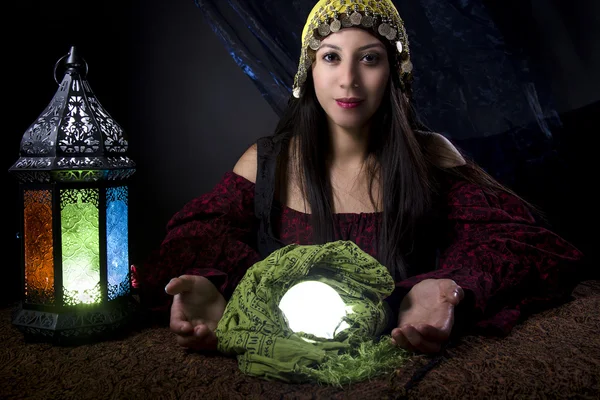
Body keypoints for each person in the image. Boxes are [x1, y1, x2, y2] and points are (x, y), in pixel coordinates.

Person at [132, 0, 584, 355]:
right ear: (310, 71)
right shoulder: (266, 162)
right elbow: (193, 237)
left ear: (393, 73)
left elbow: (517, 240)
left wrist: (447, 287)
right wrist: (215, 285)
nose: (348, 79)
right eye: (331, 57)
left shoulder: (431, 158)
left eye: (369, 59)